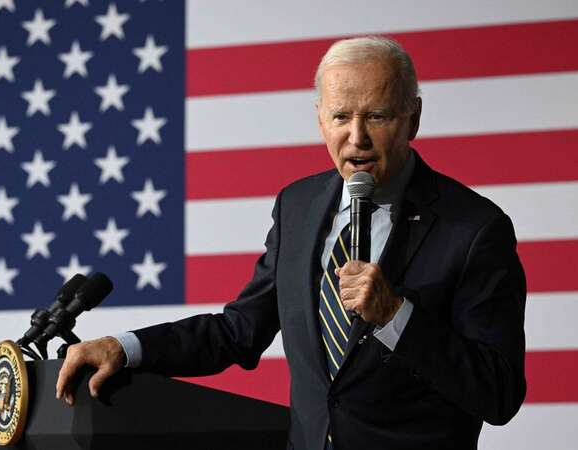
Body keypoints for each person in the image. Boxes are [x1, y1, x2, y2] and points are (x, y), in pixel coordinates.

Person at [56, 36, 526, 450]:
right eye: (341, 115)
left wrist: (395, 316)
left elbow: (499, 393)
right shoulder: (297, 206)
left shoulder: (475, 229)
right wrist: (125, 347)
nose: (356, 137)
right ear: (320, 119)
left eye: (377, 116)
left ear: (413, 118)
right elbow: (239, 330)